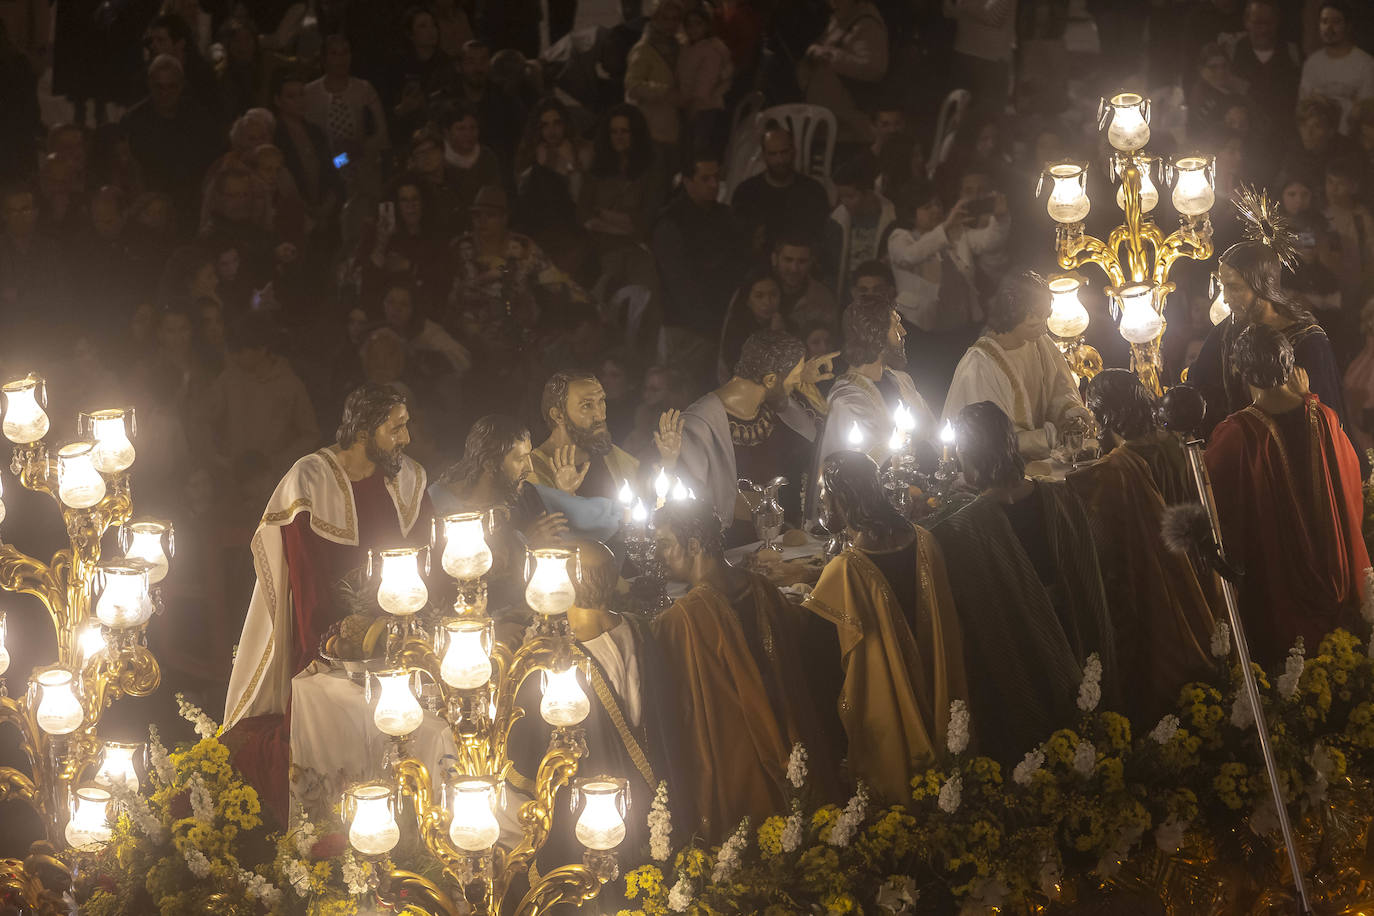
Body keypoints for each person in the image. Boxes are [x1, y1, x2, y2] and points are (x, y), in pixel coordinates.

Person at [223, 385, 432, 822]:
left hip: (402, 636)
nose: (407, 439)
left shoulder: (406, 478)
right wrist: (330, 644)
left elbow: (428, 562)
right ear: (365, 429)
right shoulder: (312, 479)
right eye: (397, 428)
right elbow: (307, 582)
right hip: (330, 648)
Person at [933, 401, 1116, 763]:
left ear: (971, 456)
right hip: (1076, 633)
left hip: (1020, 649)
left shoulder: (965, 527)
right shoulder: (1060, 496)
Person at [652, 497, 833, 842]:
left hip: (734, 769)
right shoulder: (762, 587)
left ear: (693, 545)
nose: (657, 555)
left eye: (663, 544)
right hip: (792, 740)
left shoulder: (681, 620)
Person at [508, 540, 691, 875]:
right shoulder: (639, 628)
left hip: (587, 808)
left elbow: (524, 748)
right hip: (655, 796)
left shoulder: (555, 659)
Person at [803, 451, 967, 802]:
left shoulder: (845, 572)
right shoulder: (924, 540)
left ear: (842, 498)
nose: (819, 502)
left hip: (889, 722)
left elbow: (821, 658)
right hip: (940, 694)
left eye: (823, 494)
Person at [1206, 324, 1370, 665]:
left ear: (1240, 370)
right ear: (1290, 363)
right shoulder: (1324, 416)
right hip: (1334, 569)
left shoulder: (1236, 434)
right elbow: (1351, 487)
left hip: (1275, 579)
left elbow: (1218, 512)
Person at [1067, 371, 1216, 722]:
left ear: (1105, 416)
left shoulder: (1115, 470)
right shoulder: (1172, 442)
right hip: (1199, 571)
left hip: (1157, 583)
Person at [1188, 199, 1352, 443]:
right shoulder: (1227, 331)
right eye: (1223, 286)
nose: (1226, 298)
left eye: (1234, 288)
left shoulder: (1308, 341)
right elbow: (1198, 383)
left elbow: (1328, 420)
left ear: (1261, 286)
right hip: (1241, 453)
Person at [679, 330, 831, 542]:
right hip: (729, 550)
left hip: (783, 544)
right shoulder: (700, 426)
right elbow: (694, 502)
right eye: (794, 380)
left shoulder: (773, 411)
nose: (796, 385)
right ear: (769, 379)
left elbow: (820, 451)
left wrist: (808, 391)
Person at [942, 271, 1091, 460]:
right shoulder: (980, 365)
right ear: (1011, 318)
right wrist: (1047, 438)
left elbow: (1059, 388)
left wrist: (1069, 417)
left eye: (1046, 319)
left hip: (1046, 461)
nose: (1044, 329)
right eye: (1034, 324)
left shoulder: (1040, 342)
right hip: (1005, 467)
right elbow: (990, 437)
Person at [651, 153, 749, 384]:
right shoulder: (671, 222)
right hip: (685, 326)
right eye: (705, 179)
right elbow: (678, 282)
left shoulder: (726, 217)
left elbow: (739, 266)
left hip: (723, 321)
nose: (714, 185)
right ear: (687, 182)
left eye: (716, 178)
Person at [815, 294, 936, 480]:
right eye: (896, 325)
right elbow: (862, 469)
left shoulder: (901, 380)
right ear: (876, 333)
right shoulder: (846, 401)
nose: (903, 332)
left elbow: (930, 435)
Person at [530, 370, 683, 499]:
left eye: (601, 401)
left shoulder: (613, 458)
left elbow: (645, 502)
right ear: (558, 415)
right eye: (587, 405)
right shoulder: (531, 471)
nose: (600, 415)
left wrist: (668, 462)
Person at [121, 56, 222, 228]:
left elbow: (213, 164)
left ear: (181, 85)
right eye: (158, 86)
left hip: (191, 205)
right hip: (148, 206)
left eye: (171, 86)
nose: (165, 93)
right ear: (149, 85)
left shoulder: (200, 119)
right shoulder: (133, 121)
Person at [796, 0, 888, 146]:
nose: (832, 3)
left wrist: (829, 56)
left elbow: (874, 69)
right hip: (825, 127)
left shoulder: (866, 23)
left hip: (849, 131)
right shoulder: (839, 19)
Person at [730, 126, 831, 253]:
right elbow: (738, 244)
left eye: (784, 152)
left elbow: (822, 241)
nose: (780, 160)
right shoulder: (745, 193)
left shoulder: (814, 192)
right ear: (764, 156)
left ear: (793, 151)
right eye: (773, 154)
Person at [823, 154, 895, 298]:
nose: (844, 202)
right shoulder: (836, 221)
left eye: (850, 197)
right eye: (841, 197)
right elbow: (830, 267)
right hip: (846, 299)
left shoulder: (893, 221)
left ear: (868, 193)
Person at [1298, 0, 1374, 135]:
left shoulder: (1366, 63)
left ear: (1348, 25)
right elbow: (1303, 108)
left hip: (1352, 141)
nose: (1329, 28)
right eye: (1324, 21)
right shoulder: (1312, 63)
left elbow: (1365, 114)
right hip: (1317, 143)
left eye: (1336, 22)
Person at [625, 0, 685, 161]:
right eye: (666, 18)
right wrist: (664, 92)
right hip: (652, 130)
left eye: (675, 19)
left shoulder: (680, 46)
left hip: (677, 129)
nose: (671, 24)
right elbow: (632, 86)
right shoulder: (644, 49)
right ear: (655, 18)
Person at [719, 269, 786, 381]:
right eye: (759, 296)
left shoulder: (791, 324)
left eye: (773, 295)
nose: (767, 302)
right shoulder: (736, 331)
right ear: (748, 301)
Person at [770, 233, 839, 334]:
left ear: (811, 262)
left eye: (802, 261)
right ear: (774, 259)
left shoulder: (823, 298)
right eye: (788, 260)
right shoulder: (755, 292)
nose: (794, 269)